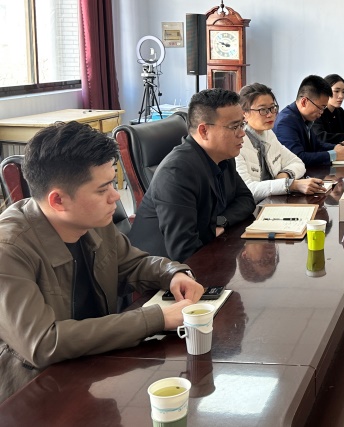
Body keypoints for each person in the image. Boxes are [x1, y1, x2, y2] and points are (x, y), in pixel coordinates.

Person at [0, 121, 203, 402]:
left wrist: (172, 273)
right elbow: (44, 342)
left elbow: (132, 264)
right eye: (103, 188)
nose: (116, 196)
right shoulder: (8, 250)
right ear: (58, 200)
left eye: (113, 183)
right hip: (35, 394)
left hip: (95, 370)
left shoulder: (91, 221)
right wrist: (157, 318)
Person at [130, 88, 256, 261]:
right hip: (160, 270)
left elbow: (246, 200)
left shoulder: (224, 157)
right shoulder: (176, 173)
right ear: (204, 131)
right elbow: (184, 250)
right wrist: (213, 231)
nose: (242, 133)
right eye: (234, 127)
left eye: (242, 124)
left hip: (208, 254)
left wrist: (221, 222)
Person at [237, 82, 326, 201]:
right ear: (244, 113)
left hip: (272, 201)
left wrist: (285, 174)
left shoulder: (268, 134)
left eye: (272, 108)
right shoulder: (237, 142)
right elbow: (247, 190)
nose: (270, 114)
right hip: (252, 208)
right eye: (263, 110)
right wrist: (290, 185)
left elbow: (298, 163)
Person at [274, 75, 344, 166]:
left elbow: (316, 145)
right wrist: (334, 155)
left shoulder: (305, 117)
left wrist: (336, 147)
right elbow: (298, 158)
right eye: (321, 108)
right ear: (304, 102)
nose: (322, 112)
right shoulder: (286, 122)